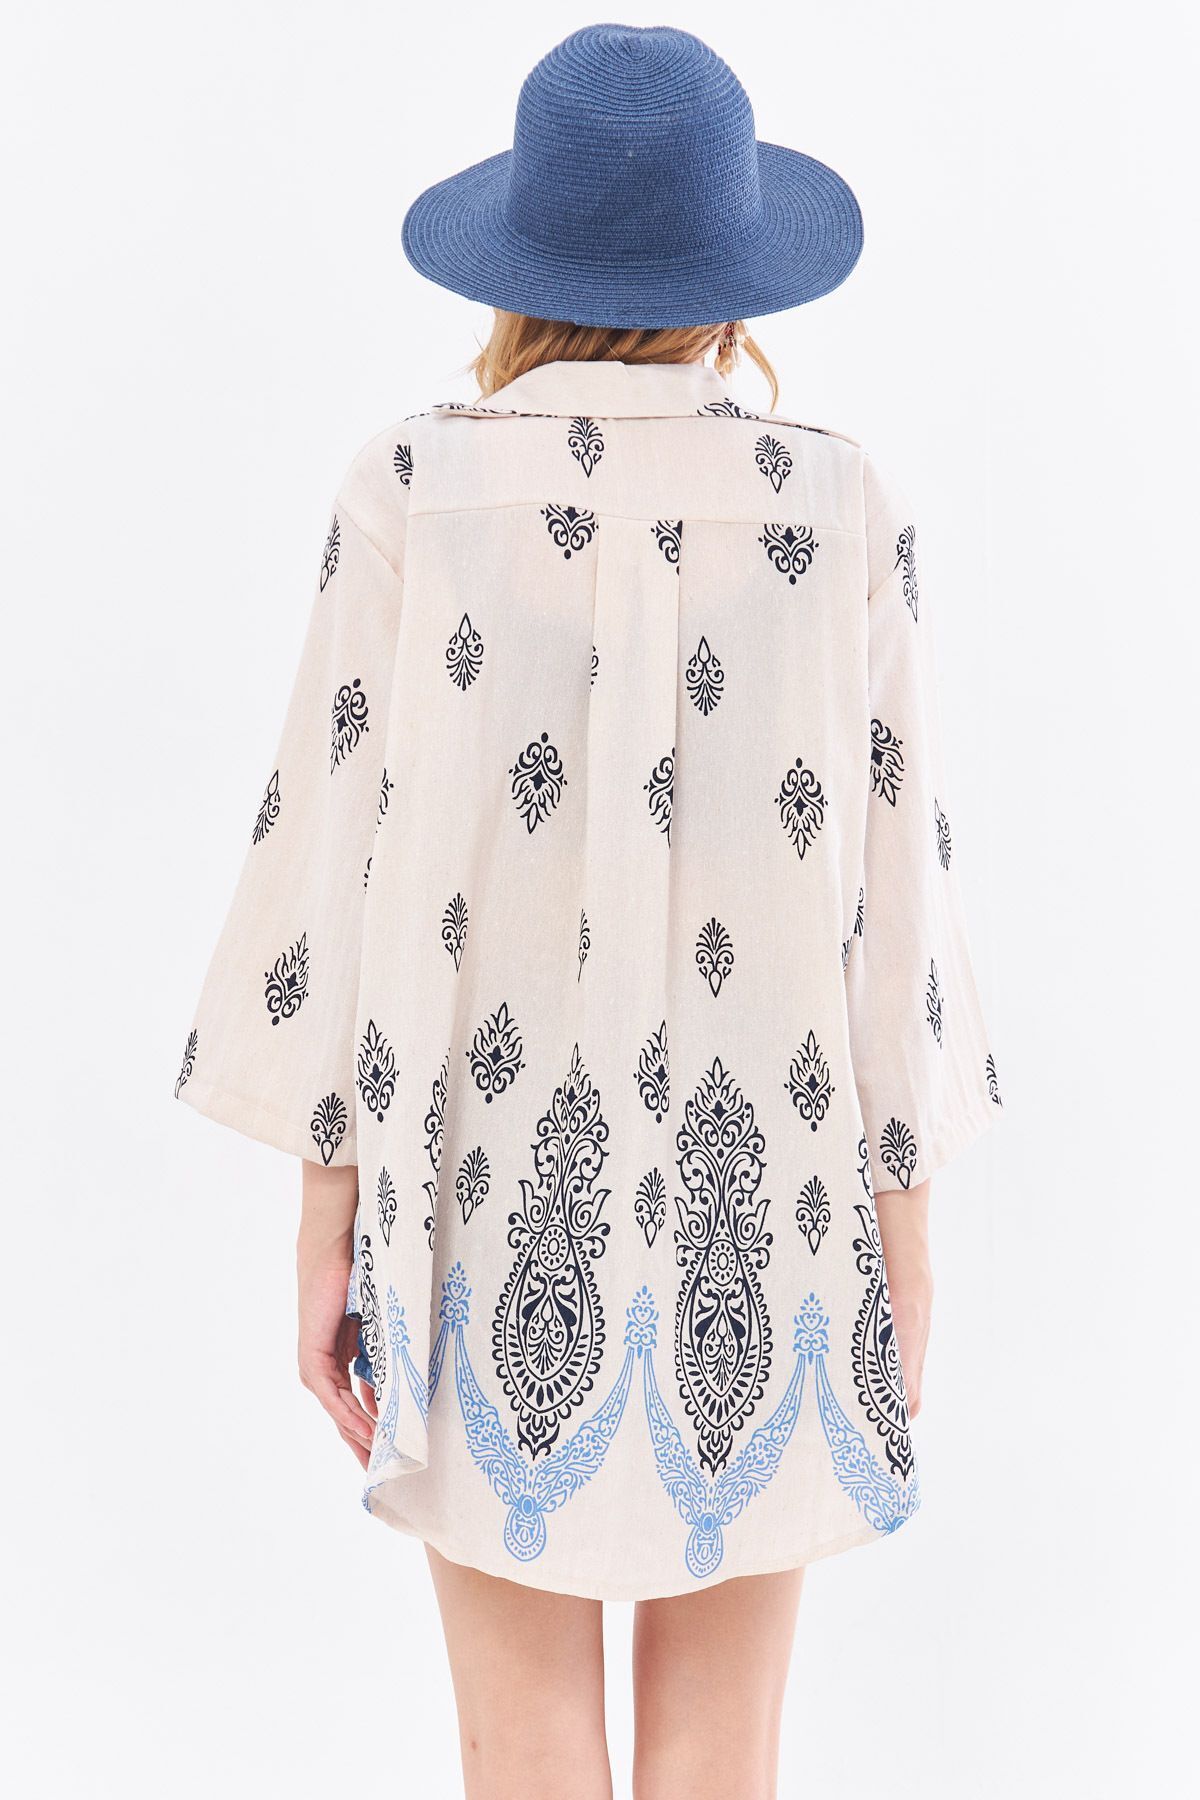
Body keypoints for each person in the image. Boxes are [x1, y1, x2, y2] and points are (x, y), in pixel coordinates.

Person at [176, 23, 1001, 1800]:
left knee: (519, 1747)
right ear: (733, 278)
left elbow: (327, 860)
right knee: (727, 1755)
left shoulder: (413, 486)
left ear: (519, 256)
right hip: (771, 1191)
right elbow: (897, 899)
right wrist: (907, 1242)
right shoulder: (842, 497)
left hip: (477, 1179)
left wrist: (322, 1218)